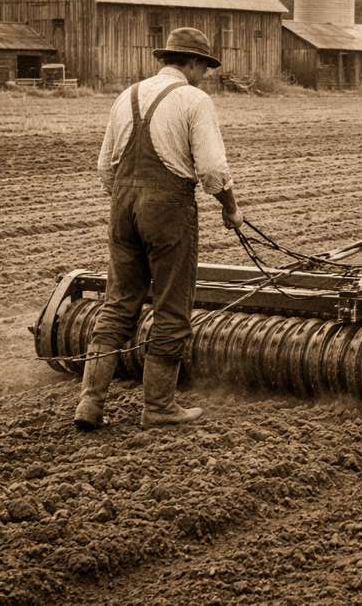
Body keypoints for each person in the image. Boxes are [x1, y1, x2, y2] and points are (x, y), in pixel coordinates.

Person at [74, 27, 244, 430]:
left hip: (122, 206)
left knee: (118, 304)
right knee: (171, 304)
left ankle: (90, 403)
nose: (205, 75)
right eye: (204, 66)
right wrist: (231, 210)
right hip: (166, 208)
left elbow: (104, 167)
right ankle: (159, 407)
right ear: (193, 63)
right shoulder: (193, 99)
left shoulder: (126, 95)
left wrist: (127, 202)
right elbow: (213, 171)